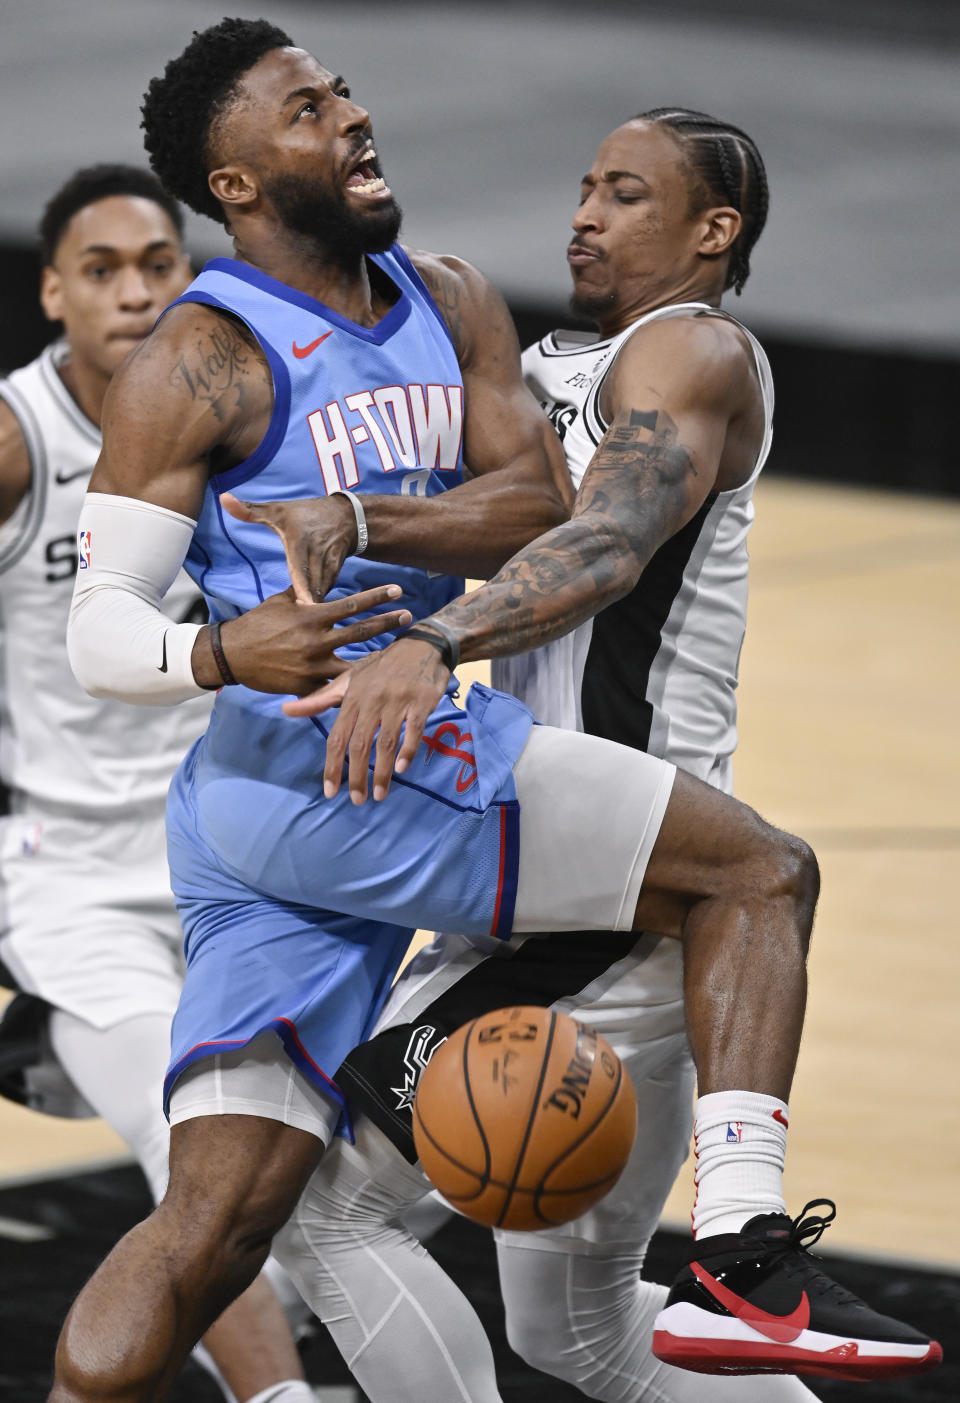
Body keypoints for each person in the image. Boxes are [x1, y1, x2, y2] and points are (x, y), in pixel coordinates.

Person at [52, 19, 938, 1402]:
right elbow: (99, 629)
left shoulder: (604, 335)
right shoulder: (209, 357)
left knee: (254, 1223)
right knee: (763, 867)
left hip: (400, 801)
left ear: (715, 234)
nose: (350, 113)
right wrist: (220, 650)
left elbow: (560, 522)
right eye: (306, 106)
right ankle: (750, 1246)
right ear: (234, 181)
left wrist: (388, 561)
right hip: (377, 782)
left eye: (622, 193)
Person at [266, 108, 821, 1403]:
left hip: (608, 896)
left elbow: (606, 542)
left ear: (712, 232)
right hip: (547, 874)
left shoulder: (691, 348)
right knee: (577, 1334)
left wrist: (435, 640)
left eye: (623, 193)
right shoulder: (577, 366)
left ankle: (751, 1224)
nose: (582, 211)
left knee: (316, 1207)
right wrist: (359, 516)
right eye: (582, 186)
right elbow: (532, 514)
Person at [0, 163, 318, 1403]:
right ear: (52, 293)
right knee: (186, 1140)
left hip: (234, 852)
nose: (135, 292)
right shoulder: (24, 438)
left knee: (296, 1181)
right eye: (102, 269)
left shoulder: (242, 414)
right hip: (73, 881)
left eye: (158, 265)